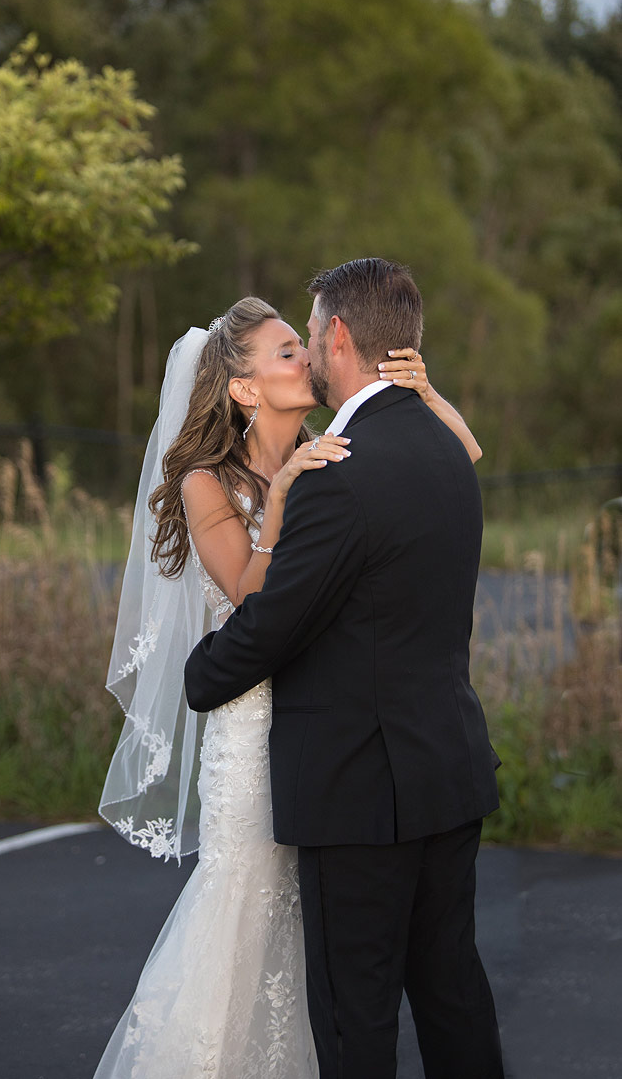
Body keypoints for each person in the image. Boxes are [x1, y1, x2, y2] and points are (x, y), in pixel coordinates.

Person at [94, 287, 487, 1078]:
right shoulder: (210, 480)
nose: (305, 356)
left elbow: (452, 463)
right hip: (264, 732)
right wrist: (276, 503)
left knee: (349, 974)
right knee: (255, 931)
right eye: (285, 351)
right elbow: (246, 594)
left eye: (303, 342)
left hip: (335, 737)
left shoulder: (336, 451)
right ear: (242, 387)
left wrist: (422, 394)